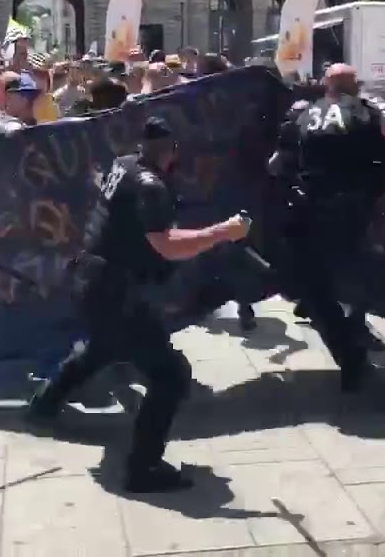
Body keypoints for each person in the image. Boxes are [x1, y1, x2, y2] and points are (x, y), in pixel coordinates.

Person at [27, 117, 250, 492]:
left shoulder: (124, 164)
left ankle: (44, 404)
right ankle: (142, 468)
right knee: (171, 376)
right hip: (113, 291)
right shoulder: (152, 186)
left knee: (103, 346)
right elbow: (167, 246)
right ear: (172, 151)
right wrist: (223, 233)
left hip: (93, 282)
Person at [270, 63, 385, 391]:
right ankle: (356, 328)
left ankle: (351, 357)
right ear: (356, 85)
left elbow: (276, 165)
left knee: (313, 291)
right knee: (359, 270)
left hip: (310, 211)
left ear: (326, 86)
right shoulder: (369, 108)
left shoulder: (303, 113)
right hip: (356, 211)